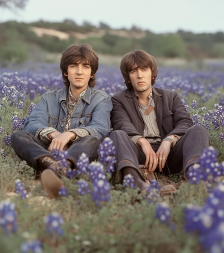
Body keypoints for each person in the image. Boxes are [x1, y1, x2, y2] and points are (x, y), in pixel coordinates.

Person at [11, 44, 112, 198]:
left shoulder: (101, 99)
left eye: (85, 66)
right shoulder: (49, 98)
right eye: (73, 66)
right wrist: (54, 134)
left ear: (92, 73)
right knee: (18, 135)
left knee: (92, 139)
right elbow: (32, 123)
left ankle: (64, 167)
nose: (79, 71)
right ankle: (54, 166)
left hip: (82, 151)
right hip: (51, 149)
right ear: (66, 72)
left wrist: (70, 134)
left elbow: (100, 128)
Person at [110, 50, 210, 192]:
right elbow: (121, 123)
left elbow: (185, 122)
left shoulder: (170, 96)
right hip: (139, 155)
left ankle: (192, 179)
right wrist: (142, 141)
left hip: (168, 155)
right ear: (127, 78)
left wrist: (169, 140)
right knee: (117, 134)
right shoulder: (118, 100)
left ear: (152, 74)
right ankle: (136, 183)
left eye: (144, 69)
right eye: (133, 71)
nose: (140, 75)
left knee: (198, 130)